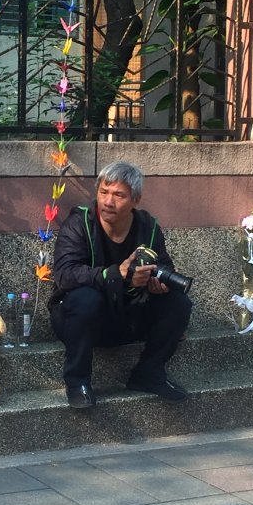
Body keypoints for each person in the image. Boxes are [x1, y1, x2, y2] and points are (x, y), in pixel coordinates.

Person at [49, 161, 192, 408]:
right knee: (85, 298)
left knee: (178, 302)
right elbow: (65, 275)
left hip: (129, 317)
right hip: (81, 321)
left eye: (118, 195)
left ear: (135, 200)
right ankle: (78, 381)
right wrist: (116, 274)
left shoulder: (148, 226)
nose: (108, 202)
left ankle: (149, 373)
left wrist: (158, 281)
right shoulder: (79, 223)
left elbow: (164, 264)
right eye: (103, 192)